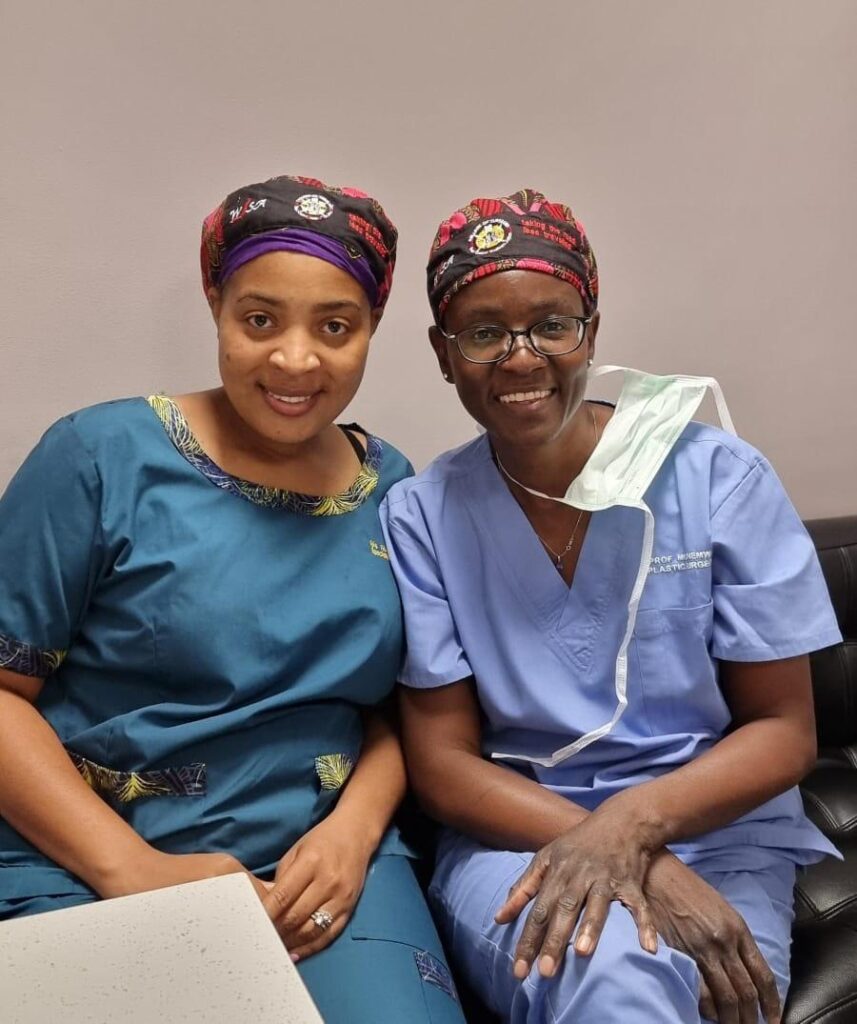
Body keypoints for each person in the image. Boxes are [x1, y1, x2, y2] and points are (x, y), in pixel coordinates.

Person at [0, 174, 466, 1024]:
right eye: (259, 320)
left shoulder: (391, 487)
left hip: (317, 862)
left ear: (371, 328)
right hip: (84, 855)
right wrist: (130, 870)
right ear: (215, 304)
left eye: (335, 326)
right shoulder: (98, 458)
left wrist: (354, 832)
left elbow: (397, 712)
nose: (295, 360)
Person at [380, 189, 842, 1024]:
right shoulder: (422, 515)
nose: (520, 359)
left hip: (718, 827)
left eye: (551, 325)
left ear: (590, 331)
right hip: (521, 833)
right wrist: (634, 857)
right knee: (612, 978)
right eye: (482, 333)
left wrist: (631, 828)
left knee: (713, 996)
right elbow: (443, 766)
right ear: (443, 354)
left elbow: (784, 729)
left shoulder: (716, 477)